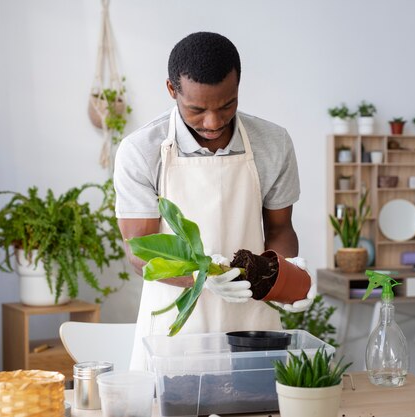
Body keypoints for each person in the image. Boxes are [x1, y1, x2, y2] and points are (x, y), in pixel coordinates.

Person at [113, 31, 316, 370]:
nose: (213, 122)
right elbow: (140, 250)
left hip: (252, 327)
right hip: (175, 333)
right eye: (196, 109)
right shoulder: (141, 150)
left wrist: (285, 276)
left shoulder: (273, 143)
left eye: (227, 105)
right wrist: (202, 277)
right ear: (171, 90)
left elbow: (280, 227)